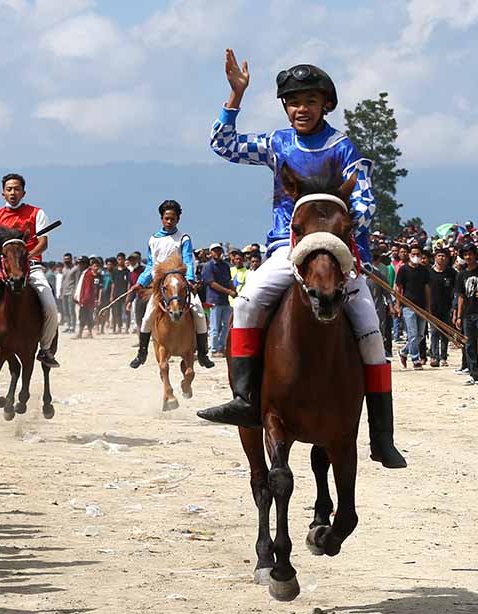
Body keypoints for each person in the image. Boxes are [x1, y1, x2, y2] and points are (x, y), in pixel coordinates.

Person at [199, 49, 405, 469]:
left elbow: (363, 204)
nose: (300, 109)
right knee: (248, 302)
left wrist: (338, 233)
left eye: (310, 101)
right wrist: (235, 95)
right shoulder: (278, 143)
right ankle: (244, 399)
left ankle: (381, 435)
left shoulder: (343, 147)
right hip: (286, 248)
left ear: (326, 104)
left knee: (370, 330)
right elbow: (223, 145)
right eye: (293, 102)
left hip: (338, 251)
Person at [0, 173, 60, 371]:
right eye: (9, 189)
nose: (13, 192)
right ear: (3, 193)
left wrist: (25, 257)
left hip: (32, 268)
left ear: (24, 192)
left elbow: (43, 243)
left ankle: (46, 349)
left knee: (50, 306)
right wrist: (10, 255)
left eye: (16, 189)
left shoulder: (37, 213)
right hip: (4, 272)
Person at [128, 199, 214, 369]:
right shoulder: (153, 239)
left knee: (198, 314)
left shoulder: (183, 238)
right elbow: (151, 265)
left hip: (181, 284)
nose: (169, 221)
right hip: (161, 287)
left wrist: (189, 279)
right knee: (147, 318)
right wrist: (140, 283)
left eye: (172, 218)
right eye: (166, 218)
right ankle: (142, 353)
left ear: (178, 219)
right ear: (161, 218)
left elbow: (188, 260)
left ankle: (203, 354)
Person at [454, 243, 478, 385]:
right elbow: (460, 296)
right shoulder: (461, 274)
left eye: (470, 254)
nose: (468, 257)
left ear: (475, 255)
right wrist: (459, 316)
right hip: (467, 314)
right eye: (465, 254)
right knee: (469, 345)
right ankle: (474, 374)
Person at [395, 244, 431, 370]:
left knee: (420, 335)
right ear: (409, 255)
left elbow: (427, 288)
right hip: (408, 306)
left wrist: (428, 306)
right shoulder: (403, 270)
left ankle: (404, 352)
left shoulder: (424, 270)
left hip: (421, 306)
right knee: (412, 333)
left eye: (418, 254)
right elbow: (399, 289)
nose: (415, 257)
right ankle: (415, 359)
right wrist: (398, 305)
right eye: (413, 254)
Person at [202, 242, 236, 356]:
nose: (217, 253)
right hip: (213, 300)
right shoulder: (208, 266)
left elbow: (228, 280)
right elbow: (211, 283)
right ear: (211, 252)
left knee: (226, 325)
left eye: (219, 250)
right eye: (215, 250)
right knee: (214, 327)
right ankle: (214, 349)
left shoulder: (225, 266)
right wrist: (229, 291)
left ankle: (222, 347)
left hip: (224, 300)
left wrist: (234, 291)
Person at [428, 246, 456, 366]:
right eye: (439, 256)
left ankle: (444, 357)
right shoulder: (429, 272)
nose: (441, 258)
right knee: (434, 332)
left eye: (444, 256)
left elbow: (456, 290)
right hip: (432, 307)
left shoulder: (452, 273)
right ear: (435, 258)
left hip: (447, 306)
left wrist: (454, 307)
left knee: (445, 332)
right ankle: (434, 356)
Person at [59, 253, 79, 333]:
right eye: (65, 259)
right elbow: (63, 281)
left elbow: (77, 281)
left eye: (68, 259)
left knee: (71, 310)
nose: (66, 261)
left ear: (71, 259)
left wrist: (75, 293)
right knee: (65, 310)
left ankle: (72, 327)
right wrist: (61, 292)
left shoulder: (75, 269)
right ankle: (68, 325)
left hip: (71, 292)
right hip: (64, 292)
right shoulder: (64, 269)